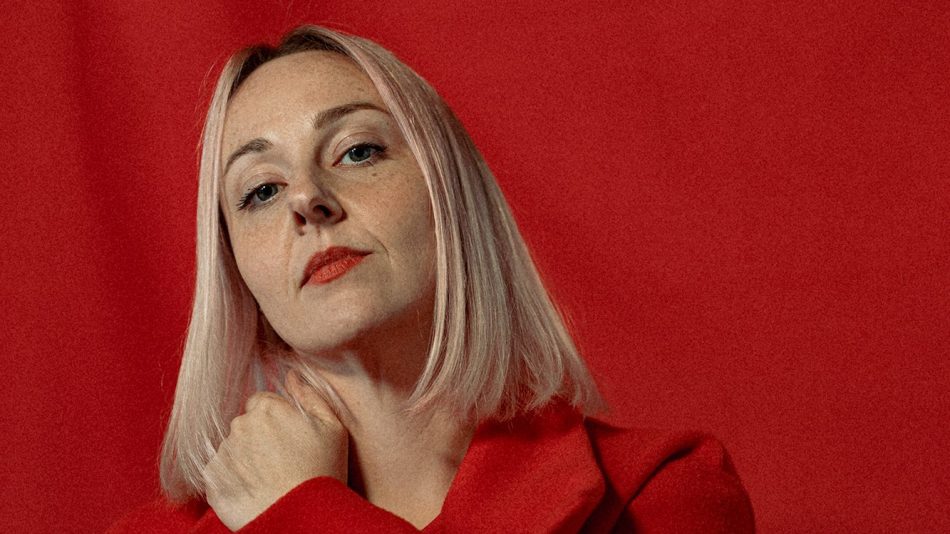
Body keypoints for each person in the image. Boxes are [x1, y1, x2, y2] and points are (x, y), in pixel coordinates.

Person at [107, 24, 755, 533]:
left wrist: (303, 512)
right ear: (238, 273)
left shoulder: (663, 495)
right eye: (261, 191)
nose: (306, 199)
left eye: (357, 151)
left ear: (452, 196)